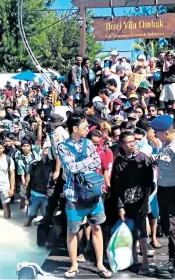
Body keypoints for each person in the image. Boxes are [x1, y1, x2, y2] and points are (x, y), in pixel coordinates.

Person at [56, 110, 112, 279]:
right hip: (74, 195)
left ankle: (100, 264)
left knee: (96, 227)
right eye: (84, 126)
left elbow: (97, 162)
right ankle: (74, 265)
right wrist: (86, 163)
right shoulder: (62, 146)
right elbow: (71, 168)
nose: (87, 128)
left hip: (93, 192)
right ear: (74, 128)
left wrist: (81, 164)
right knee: (72, 230)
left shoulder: (88, 142)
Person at [151, 114, 175, 278]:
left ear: (166, 132)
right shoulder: (166, 144)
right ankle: (172, 260)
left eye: (157, 133)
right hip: (164, 189)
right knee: (167, 225)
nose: (155, 136)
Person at [111, 131, 154, 275]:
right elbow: (116, 185)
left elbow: (149, 183)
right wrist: (120, 206)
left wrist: (145, 201)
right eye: (129, 142)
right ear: (122, 144)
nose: (132, 144)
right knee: (129, 231)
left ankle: (145, 262)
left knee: (141, 231)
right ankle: (133, 260)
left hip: (141, 200)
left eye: (134, 141)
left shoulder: (143, 158)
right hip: (126, 201)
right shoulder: (118, 161)